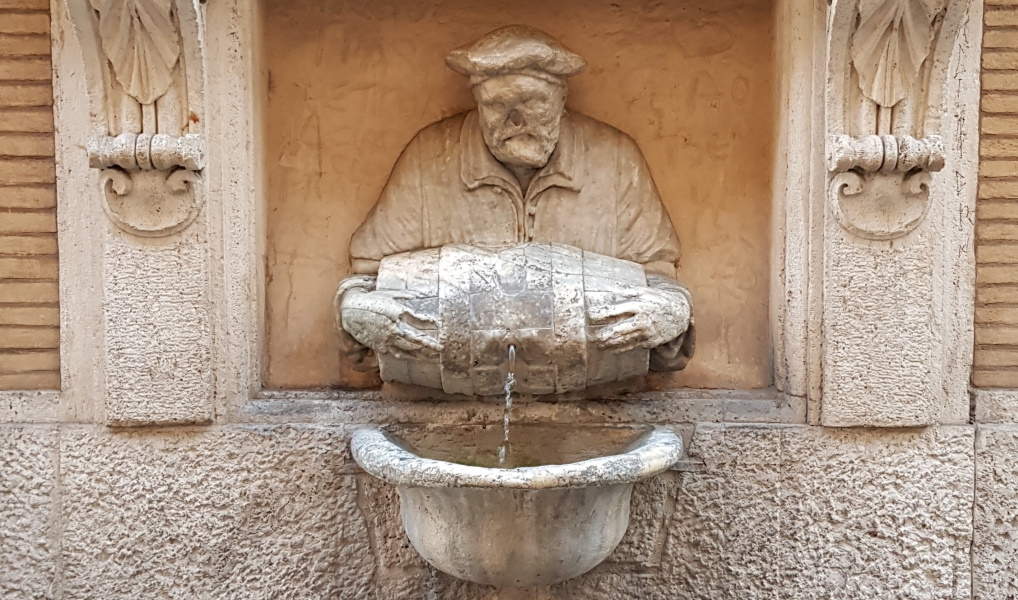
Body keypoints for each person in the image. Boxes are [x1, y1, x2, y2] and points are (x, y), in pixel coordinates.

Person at [337, 25, 694, 374]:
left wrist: (671, 313)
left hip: (596, 396)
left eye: (532, 102)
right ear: (478, 105)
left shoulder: (614, 160)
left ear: (561, 101)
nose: (516, 119)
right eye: (497, 105)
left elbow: (659, 281)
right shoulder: (431, 158)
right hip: (448, 395)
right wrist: (357, 309)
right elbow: (368, 279)